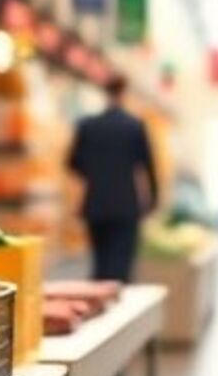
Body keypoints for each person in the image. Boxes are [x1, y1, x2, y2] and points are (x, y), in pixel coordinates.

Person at [67, 74, 158, 283]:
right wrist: (152, 199)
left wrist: (95, 173)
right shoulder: (135, 126)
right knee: (122, 266)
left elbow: (72, 163)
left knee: (101, 263)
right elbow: (147, 166)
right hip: (126, 205)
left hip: (95, 203)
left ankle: (101, 306)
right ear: (124, 93)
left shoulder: (88, 126)